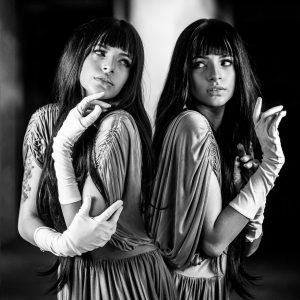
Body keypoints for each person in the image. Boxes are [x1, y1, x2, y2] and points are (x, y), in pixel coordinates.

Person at [18, 17, 176, 300]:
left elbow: (84, 230)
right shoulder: (44, 120)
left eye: (124, 61)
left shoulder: (118, 124)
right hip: (76, 277)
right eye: (100, 52)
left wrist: (63, 149)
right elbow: (26, 219)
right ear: (78, 54)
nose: (109, 67)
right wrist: (58, 243)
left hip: (127, 278)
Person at [149, 18, 286, 299]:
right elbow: (213, 243)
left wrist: (253, 197)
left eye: (226, 62)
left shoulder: (224, 136)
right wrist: (270, 168)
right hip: (181, 288)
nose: (215, 75)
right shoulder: (192, 125)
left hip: (209, 286)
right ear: (184, 73)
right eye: (201, 64)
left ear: (239, 69)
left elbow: (246, 247)